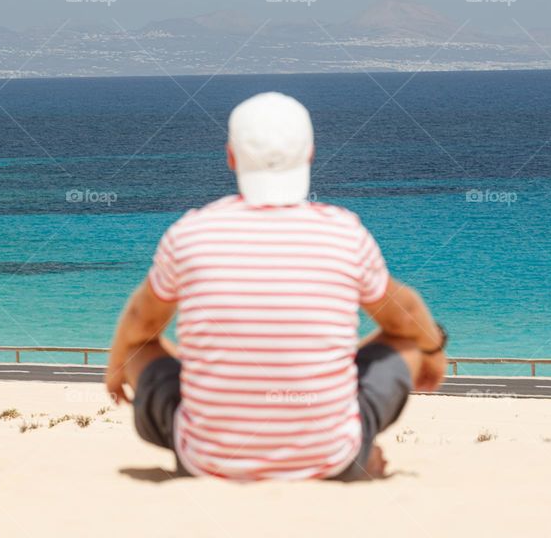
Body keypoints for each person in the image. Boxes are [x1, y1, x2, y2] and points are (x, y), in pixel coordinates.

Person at [105, 92, 447, 481]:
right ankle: (353, 452)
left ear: (231, 156)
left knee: (141, 345)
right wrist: (433, 355)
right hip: (332, 459)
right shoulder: (344, 232)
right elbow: (407, 317)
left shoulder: (189, 233)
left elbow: (140, 320)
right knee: (406, 343)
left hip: (204, 463)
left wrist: (116, 368)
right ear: (311, 153)